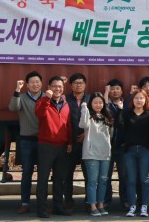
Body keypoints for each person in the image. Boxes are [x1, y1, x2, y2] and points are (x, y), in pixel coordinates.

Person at [35, 76, 73, 218]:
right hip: (46, 146)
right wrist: (47, 98)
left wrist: (69, 142)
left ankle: (58, 206)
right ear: (49, 87)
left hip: (62, 146)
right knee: (43, 179)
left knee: (59, 179)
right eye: (55, 86)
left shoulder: (66, 104)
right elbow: (39, 114)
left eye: (60, 86)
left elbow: (68, 125)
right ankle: (41, 208)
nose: (57, 89)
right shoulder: (42, 101)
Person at [9, 70, 43, 214]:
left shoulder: (46, 97)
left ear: (41, 84)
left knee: (43, 174)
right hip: (27, 141)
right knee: (27, 172)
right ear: (27, 85)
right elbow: (13, 108)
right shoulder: (21, 97)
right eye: (32, 82)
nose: (35, 84)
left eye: (38, 82)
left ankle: (42, 203)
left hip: (44, 141)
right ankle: (25, 203)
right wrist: (17, 89)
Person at [123, 89, 149, 217]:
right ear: (132, 100)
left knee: (144, 179)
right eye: (136, 98)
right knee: (131, 179)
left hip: (145, 151)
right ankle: (132, 206)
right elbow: (120, 128)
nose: (139, 100)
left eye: (141, 98)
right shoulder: (127, 114)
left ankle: (144, 206)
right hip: (130, 151)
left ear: (146, 100)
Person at [79, 92, 113, 217]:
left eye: (100, 102)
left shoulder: (106, 117)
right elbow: (82, 125)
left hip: (105, 153)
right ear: (91, 104)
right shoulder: (88, 116)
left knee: (103, 181)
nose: (98, 105)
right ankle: (92, 206)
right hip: (91, 153)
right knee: (92, 181)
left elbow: (111, 135)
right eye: (95, 102)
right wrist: (84, 108)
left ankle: (101, 205)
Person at [64, 72, 91, 212]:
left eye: (81, 83)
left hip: (87, 142)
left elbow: (97, 118)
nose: (78, 85)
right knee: (67, 174)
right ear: (71, 85)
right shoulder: (65, 99)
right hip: (70, 142)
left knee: (89, 175)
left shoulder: (91, 99)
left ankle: (89, 202)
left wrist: (87, 134)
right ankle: (68, 201)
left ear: (85, 85)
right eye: (75, 83)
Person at [103, 79, 128, 209]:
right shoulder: (105, 104)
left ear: (122, 91)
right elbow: (103, 111)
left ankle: (125, 200)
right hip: (107, 146)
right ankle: (107, 200)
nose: (115, 91)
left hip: (122, 146)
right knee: (106, 175)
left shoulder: (127, 104)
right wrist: (105, 93)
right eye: (112, 89)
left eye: (117, 88)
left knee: (124, 175)